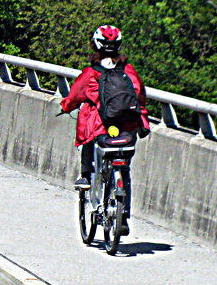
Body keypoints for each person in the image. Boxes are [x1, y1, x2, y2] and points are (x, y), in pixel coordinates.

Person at [60, 25, 150, 233]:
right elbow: (140, 95)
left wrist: (66, 106)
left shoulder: (91, 72)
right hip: (126, 128)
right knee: (123, 168)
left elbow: (74, 97)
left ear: (95, 45)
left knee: (89, 139)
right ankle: (123, 215)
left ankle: (85, 176)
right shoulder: (128, 71)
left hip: (102, 128)